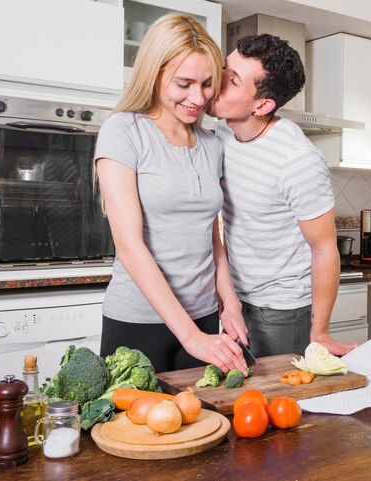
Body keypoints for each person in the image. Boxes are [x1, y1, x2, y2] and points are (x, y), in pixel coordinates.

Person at [94, 13, 248, 374]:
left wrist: (230, 304)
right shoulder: (123, 132)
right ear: (155, 72)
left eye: (208, 84)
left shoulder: (211, 144)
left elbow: (213, 239)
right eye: (184, 83)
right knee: (132, 430)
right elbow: (130, 247)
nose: (198, 98)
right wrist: (191, 336)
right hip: (138, 322)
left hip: (205, 319)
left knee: (210, 427)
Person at [210, 34, 358, 358]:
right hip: (237, 301)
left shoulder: (297, 159)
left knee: (284, 404)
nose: (216, 80)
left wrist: (320, 332)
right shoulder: (223, 132)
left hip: (283, 312)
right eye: (224, 69)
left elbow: (324, 249)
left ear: (262, 105)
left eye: (232, 81)